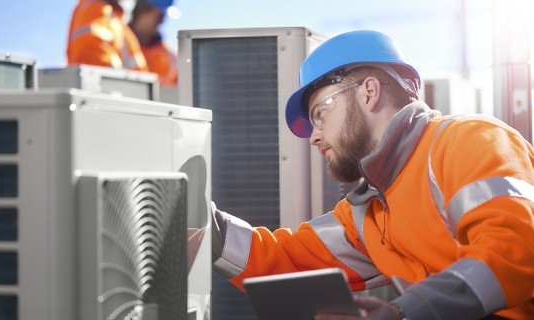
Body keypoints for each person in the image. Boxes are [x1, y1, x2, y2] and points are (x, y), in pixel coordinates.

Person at [209, 30, 534, 319]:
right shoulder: (369, 210)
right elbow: (286, 259)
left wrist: (403, 311)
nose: (314, 137)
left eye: (320, 114)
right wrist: (205, 228)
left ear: (369, 92)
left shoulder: (469, 140)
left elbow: (515, 253)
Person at [66, 0, 148, 71]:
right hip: (104, 87)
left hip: (127, 87)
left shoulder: (117, 21)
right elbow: (90, 54)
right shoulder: (95, 8)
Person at [128, 0, 178, 87]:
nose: (162, 22)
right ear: (143, 11)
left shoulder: (170, 56)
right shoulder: (116, 42)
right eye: (160, 17)